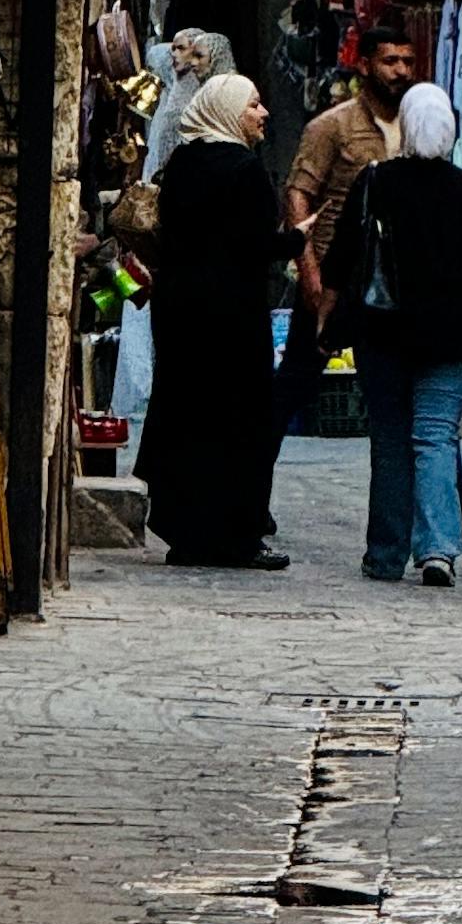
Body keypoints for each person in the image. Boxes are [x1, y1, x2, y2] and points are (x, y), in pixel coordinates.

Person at [324, 80, 462, 588]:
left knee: (389, 440)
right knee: (434, 438)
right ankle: (437, 550)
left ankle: (385, 554)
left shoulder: (375, 181)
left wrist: (328, 312)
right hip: (449, 337)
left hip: (383, 333)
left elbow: (342, 256)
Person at [138, 71, 290, 570]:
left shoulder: (182, 163)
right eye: (253, 105)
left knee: (187, 412)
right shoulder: (245, 170)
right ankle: (236, 536)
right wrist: (300, 239)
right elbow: (258, 246)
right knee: (238, 418)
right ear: (228, 111)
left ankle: (189, 533)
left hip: (182, 310)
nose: (263, 114)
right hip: (231, 315)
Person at [278, 11, 419, 432]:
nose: (400, 71)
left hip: (395, 275)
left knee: (412, 389)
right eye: (390, 61)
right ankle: (251, 487)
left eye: (407, 62)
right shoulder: (332, 127)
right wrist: (310, 273)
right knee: (298, 380)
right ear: (365, 65)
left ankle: (455, 492)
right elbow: (299, 194)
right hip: (337, 272)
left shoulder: (418, 122)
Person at [145, 25, 234, 179]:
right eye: (173, 49)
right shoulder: (172, 89)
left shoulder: (210, 95)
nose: (174, 54)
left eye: (181, 48)